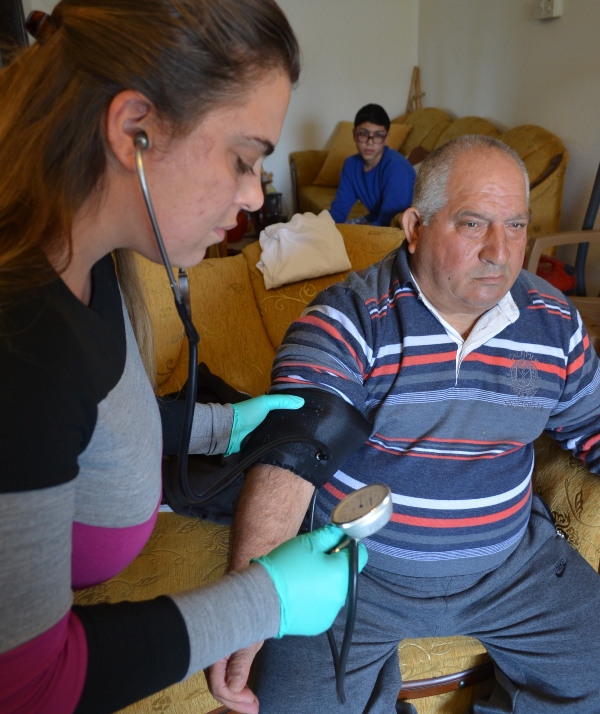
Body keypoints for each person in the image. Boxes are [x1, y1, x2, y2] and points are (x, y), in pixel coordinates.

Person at [0, 2, 368, 713]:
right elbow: (27, 687)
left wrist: (217, 428)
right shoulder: (23, 346)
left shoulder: (91, 261)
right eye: (243, 159)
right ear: (133, 129)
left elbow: (97, 419)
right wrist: (265, 600)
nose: (255, 195)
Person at [208, 134, 600, 714]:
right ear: (415, 227)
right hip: (355, 571)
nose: (500, 252)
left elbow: (593, 425)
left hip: (511, 568)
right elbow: (290, 456)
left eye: (516, 225)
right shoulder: (348, 318)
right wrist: (248, 605)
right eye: (473, 224)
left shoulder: (554, 324)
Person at [328, 104, 416, 227]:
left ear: (386, 138)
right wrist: (323, 227)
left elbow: (389, 223)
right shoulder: (351, 165)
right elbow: (338, 211)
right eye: (363, 133)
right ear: (354, 135)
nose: (370, 142)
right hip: (376, 220)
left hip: (403, 228)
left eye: (378, 135)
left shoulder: (397, 168)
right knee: (328, 230)